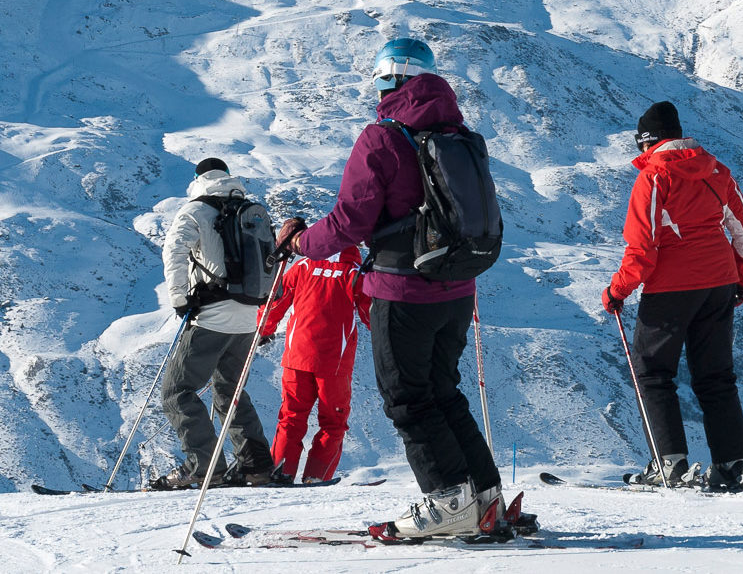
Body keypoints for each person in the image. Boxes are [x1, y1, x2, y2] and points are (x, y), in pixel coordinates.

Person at [275, 38, 507, 539]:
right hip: (457, 288)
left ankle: (448, 502)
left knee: (407, 399)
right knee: (444, 392)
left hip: (403, 292)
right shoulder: (457, 132)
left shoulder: (382, 138)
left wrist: (299, 244)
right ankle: (486, 498)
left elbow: (348, 223)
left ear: (390, 80)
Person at [602, 100, 743, 492]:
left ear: (647, 143)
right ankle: (732, 467)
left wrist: (616, 290)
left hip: (671, 289)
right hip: (719, 284)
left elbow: (642, 248)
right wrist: (741, 279)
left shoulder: (654, 179)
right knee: (716, 377)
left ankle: (668, 464)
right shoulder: (717, 172)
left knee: (653, 373)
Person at [151, 158, 276, 489]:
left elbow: (174, 252)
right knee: (230, 390)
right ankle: (256, 466)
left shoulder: (196, 210)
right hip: (248, 317)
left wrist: (180, 301)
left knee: (177, 391)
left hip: (211, 316)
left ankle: (204, 466)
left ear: (197, 179)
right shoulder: (250, 208)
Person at [257, 246, 371, 484]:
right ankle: (316, 477)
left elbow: (276, 300)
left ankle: (280, 471)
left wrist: (263, 328)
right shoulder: (356, 274)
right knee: (333, 422)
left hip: (296, 358)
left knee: (291, 417)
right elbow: (372, 316)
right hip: (334, 363)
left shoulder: (304, 266)